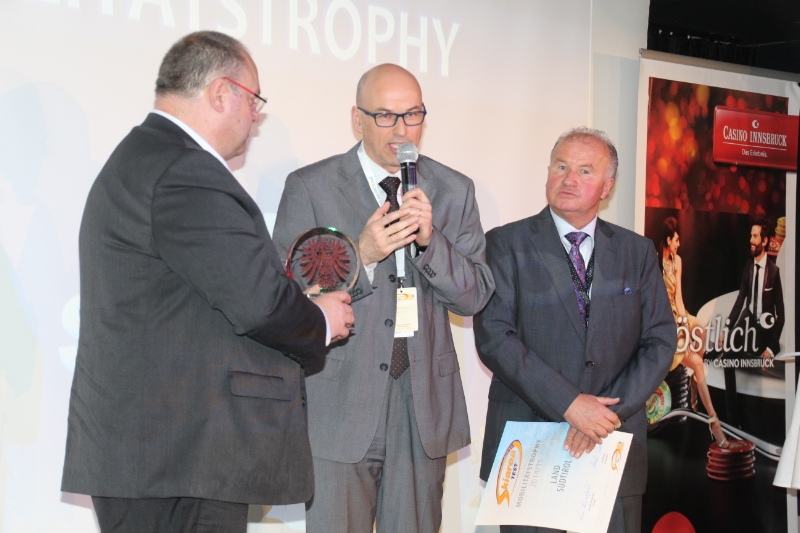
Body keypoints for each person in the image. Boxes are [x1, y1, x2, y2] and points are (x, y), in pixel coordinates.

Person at [60, 31, 354, 533]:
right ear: (221, 93)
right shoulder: (184, 170)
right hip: (179, 456)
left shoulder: (149, 157)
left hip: (161, 455)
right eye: (254, 100)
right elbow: (256, 301)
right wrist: (320, 319)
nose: (256, 116)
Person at [272, 63, 494, 533]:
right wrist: (363, 255)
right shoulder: (311, 187)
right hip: (341, 401)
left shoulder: (454, 190)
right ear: (357, 119)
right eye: (386, 116)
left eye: (413, 115)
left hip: (423, 404)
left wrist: (431, 243)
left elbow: (475, 295)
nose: (402, 131)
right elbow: (290, 298)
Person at [474, 128, 676, 533]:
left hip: (613, 446)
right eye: (561, 167)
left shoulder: (637, 252)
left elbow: (659, 340)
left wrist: (602, 416)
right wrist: (570, 405)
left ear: (607, 186)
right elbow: (495, 338)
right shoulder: (504, 244)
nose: (569, 179)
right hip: (530, 449)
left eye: (585, 171)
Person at [658, 217, 732, 447]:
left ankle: (692, 379)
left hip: (677, 314)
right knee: (698, 363)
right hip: (663, 323)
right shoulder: (654, 263)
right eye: (676, 240)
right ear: (668, 240)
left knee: (700, 328)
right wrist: (678, 332)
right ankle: (714, 422)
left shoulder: (677, 261)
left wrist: (684, 325)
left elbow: (679, 299)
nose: (679, 244)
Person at [726, 215, 785, 364]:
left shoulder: (774, 272)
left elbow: (781, 315)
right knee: (727, 349)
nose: (751, 240)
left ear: (764, 241)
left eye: (755, 236)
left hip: (764, 330)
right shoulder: (748, 266)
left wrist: (771, 347)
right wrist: (727, 327)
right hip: (748, 323)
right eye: (751, 236)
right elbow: (740, 300)